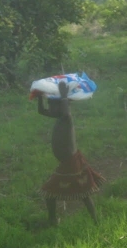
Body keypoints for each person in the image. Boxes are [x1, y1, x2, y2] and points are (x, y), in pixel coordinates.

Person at [37, 80, 104, 225]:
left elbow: (66, 113)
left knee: (51, 191)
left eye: (52, 105)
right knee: (82, 193)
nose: (50, 109)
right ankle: (94, 220)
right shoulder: (59, 116)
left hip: (71, 162)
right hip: (68, 162)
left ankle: (55, 220)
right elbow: (41, 111)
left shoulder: (66, 118)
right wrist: (39, 96)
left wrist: (64, 96)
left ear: (62, 106)